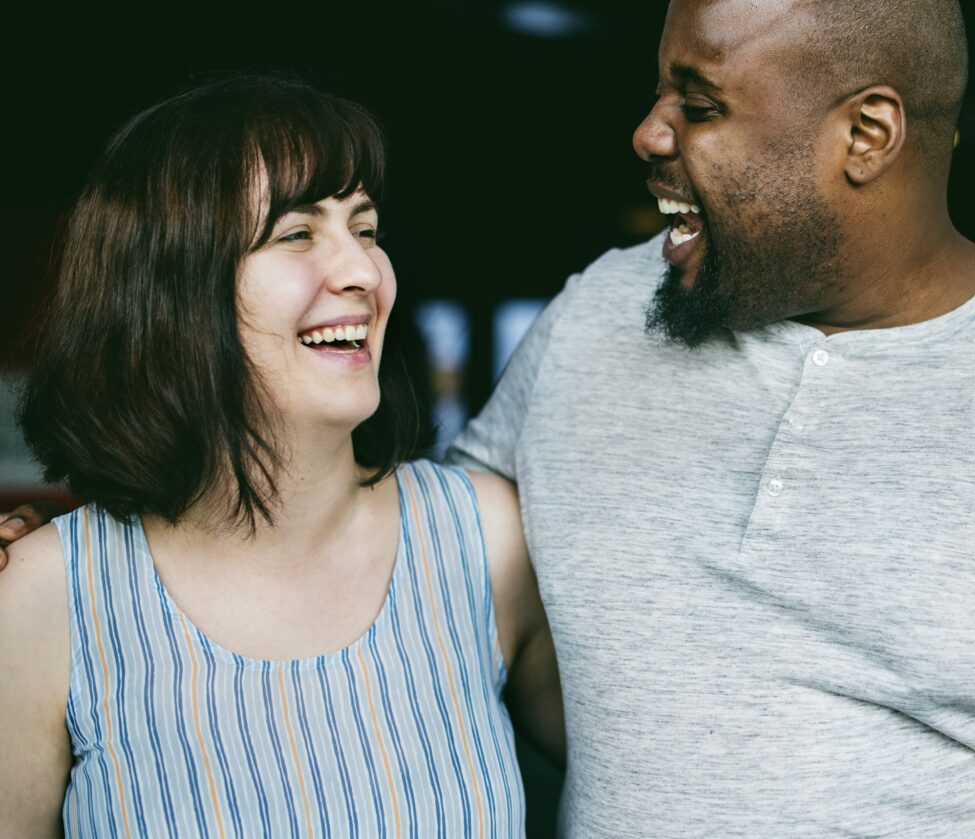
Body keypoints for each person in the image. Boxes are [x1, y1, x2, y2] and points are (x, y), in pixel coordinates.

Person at [5, 0, 975, 835]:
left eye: (700, 102)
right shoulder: (603, 317)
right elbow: (337, 526)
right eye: (298, 234)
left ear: (868, 133)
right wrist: (64, 560)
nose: (648, 130)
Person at [0, 75, 561, 837]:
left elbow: (671, 785)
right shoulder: (44, 601)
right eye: (298, 234)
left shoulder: (486, 542)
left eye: (365, 229)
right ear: (170, 289)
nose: (363, 271)